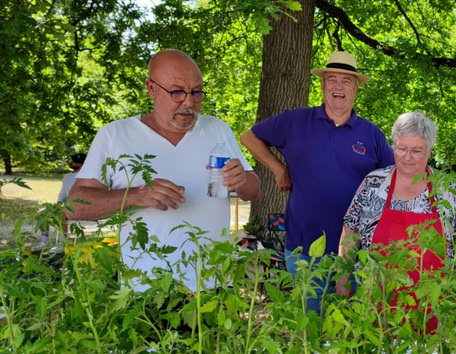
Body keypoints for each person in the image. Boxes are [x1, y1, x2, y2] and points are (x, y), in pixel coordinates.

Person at [67, 49, 261, 291]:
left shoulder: (217, 129)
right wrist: (135, 195)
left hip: (214, 283)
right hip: (147, 288)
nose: (189, 102)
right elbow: (74, 206)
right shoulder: (115, 135)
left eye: (197, 92)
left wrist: (241, 179)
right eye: (177, 92)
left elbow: (253, 191)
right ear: (151, 88)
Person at [240, 51, 394, 313]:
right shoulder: (295, 121)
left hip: (356, 252)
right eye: (332, 79)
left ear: (356, 89)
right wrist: (278, 168)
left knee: (351, 328)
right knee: (311, 329)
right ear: (322, 86)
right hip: (304, 248)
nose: (338, 86)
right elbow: (249, 137)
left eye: (346, 81)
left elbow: (392, 179)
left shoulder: (371, 133)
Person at [336, 111, 456, 332]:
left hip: (432, 302)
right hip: (375, 299)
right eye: (401, 148)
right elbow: (350, 235)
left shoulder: (447, 190)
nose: (407, 156)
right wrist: (342, 285)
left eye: (416, 150)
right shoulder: (374, 183)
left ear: (430, 151)